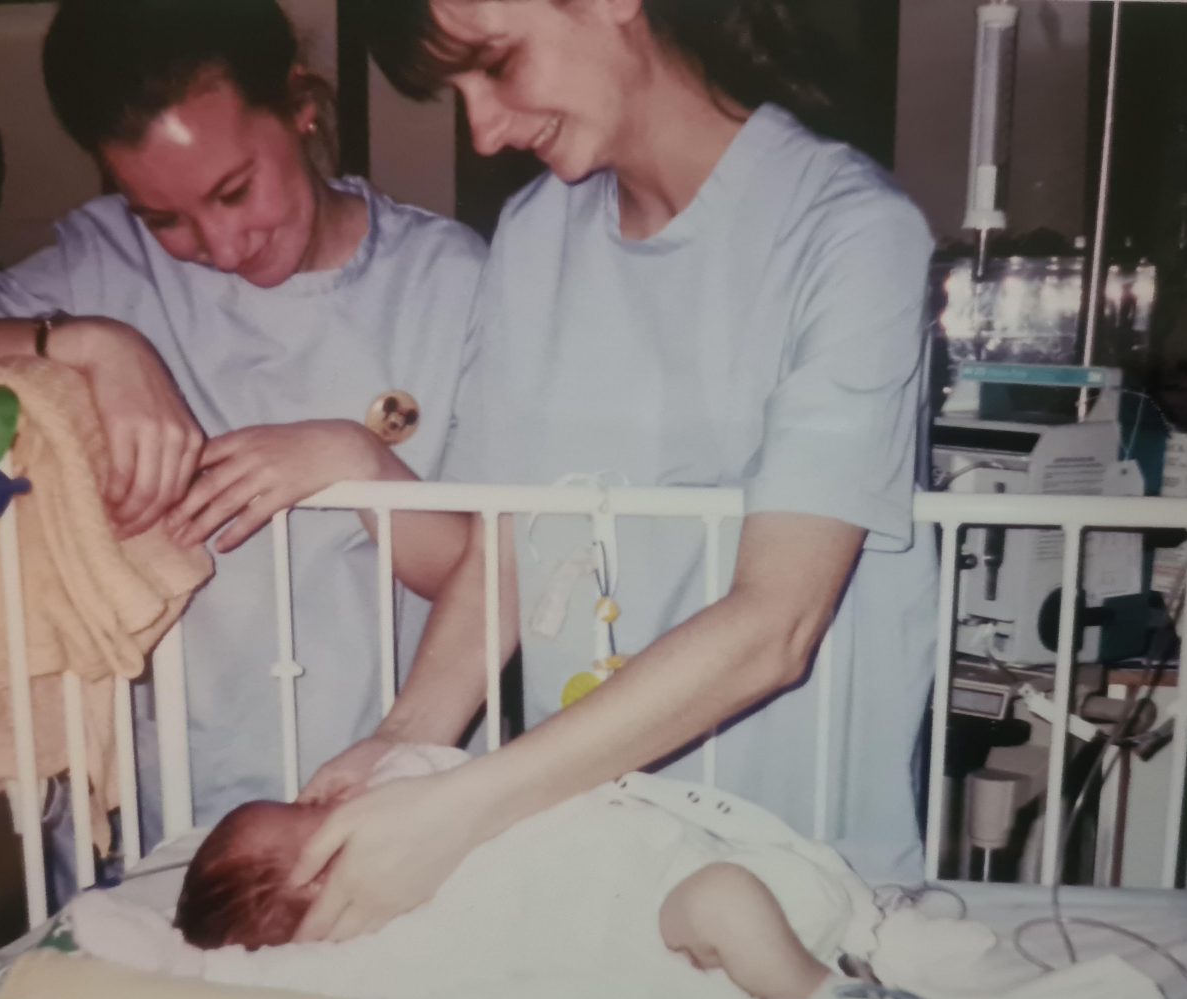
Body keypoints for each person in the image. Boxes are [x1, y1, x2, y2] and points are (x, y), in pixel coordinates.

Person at [0, 0, 485, 900]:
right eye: (164, 217)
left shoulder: (445, 283)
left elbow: (486, 575)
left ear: (300, 105)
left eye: (235, 190)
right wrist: (85, 344)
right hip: (149, 832)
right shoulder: (104, 271)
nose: (220, 246)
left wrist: (360, 465)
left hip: (373, 811)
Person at [289, 0, 938, 942]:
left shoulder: (847, 233)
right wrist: (400, 748)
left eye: (497, 65)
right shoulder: (534, 238)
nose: (484, 131)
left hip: (797, 871)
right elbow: (507, 547)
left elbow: (777, 623)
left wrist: (461, 807)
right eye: (456, 93)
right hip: (594, 856)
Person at [171, 745, 866, 999]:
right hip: (664, 932)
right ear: (319, 882)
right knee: (723, 901)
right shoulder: (391, 943)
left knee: (730, 894)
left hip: (689, 875)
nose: (320, 800)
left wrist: (379, 760)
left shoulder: (406, 802)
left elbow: (428, 765)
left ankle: (837, 981)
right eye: (307, 815)